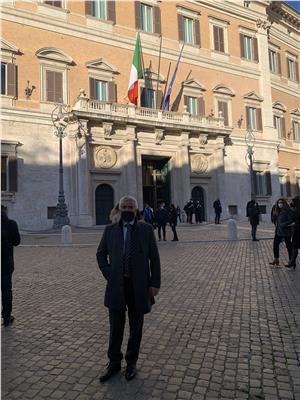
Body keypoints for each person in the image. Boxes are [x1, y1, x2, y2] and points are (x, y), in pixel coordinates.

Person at [96, 196, 161, 382]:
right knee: (115, 327)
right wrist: (108, 273)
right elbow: (101, 254)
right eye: (123, 206)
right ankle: (114, 363)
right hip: (117, 285)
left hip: (138, 286)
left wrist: (155, 283)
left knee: (136, 327)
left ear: (136, 210)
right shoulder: (109, 231)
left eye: (130, 207)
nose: (126, 209)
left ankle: (131, 362)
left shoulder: (146, 230)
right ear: (118, 208)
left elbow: (154, 259)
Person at [1, 206, 21, 327]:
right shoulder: (11, 224)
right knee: (6, 291)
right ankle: (7, 317)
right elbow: (17, 242)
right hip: (5, 264)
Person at [269, 198, 293, 266]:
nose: (280, 204)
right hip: (278, 231)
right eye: (279, 202)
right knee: (275, 244)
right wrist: (274, 220)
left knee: (288, 246)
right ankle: (276, 259)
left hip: (286, 231)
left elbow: (291, 220)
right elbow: (274, 218)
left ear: (284, 203)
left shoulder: (288, 211)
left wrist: (283, 224)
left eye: (281, 202)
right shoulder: (277, 210)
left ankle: (291, 260)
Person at [285, 197, 300, 269]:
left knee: (295, 246)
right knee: (294, 247)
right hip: (296, 231)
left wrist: (295, 223)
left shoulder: (297, 210)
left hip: (298, 230)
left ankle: (292, 262)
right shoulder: (294, 209)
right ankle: (292, 262)